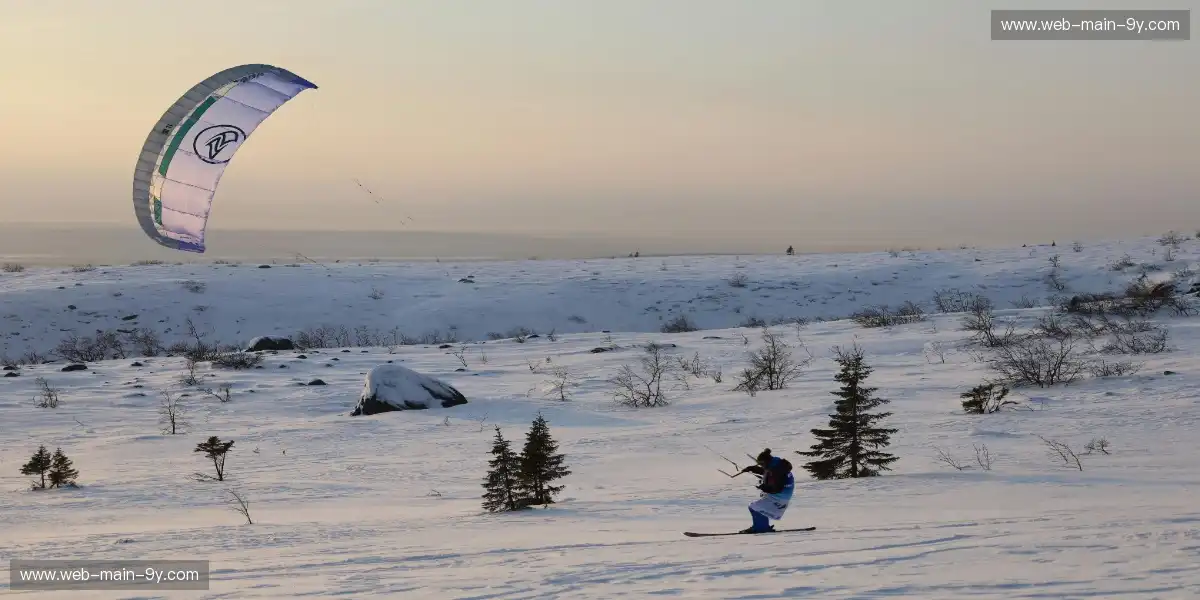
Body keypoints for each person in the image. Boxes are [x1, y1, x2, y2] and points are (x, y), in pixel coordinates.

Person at [738, 448, 794, 533]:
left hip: (780, 496)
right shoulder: (777, 465)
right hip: (780, 495)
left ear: (766, 462)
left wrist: (764, 488)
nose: (760, 466)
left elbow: (777, 488)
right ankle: (761, 526)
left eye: (761, 464)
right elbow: (766, 472)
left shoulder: (777, 470)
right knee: (758, 507)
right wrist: (751, 468)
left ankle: (761, 528)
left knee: (754, 507)